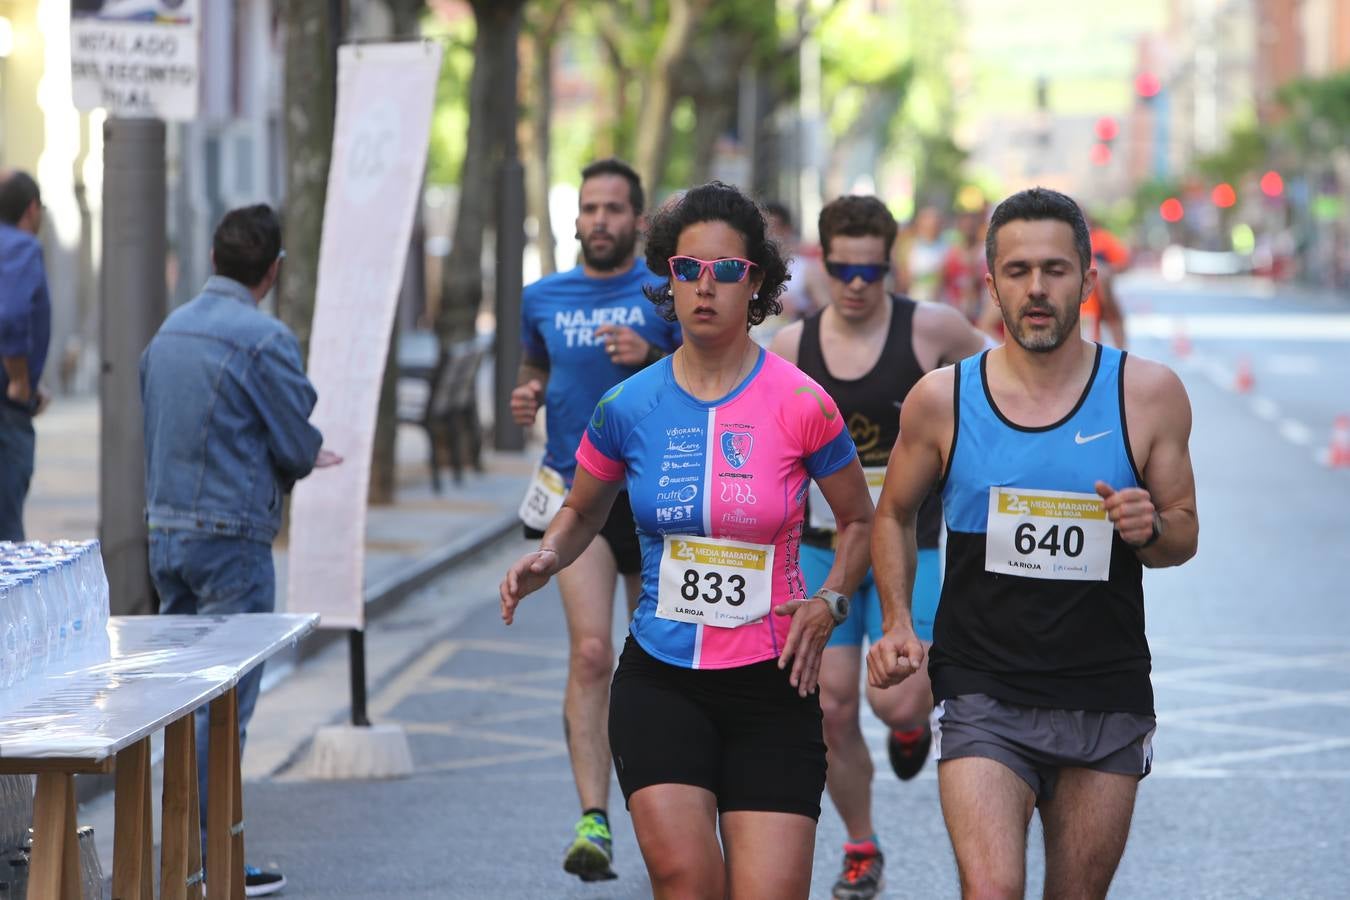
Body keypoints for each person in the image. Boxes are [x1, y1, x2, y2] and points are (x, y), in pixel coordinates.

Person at [502, 181, 873, 899]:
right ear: (667, 279)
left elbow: (859, 519)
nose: (706, 287)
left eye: (727, 271)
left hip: (774, 683)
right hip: (662, 681)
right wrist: (550, 554)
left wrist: (830, 600)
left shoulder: (801, 403)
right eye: (687, 269)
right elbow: (581, 511)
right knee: (685, 880)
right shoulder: (627, 406)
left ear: (755, 282)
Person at [868, 187, 1199, 899]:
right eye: (1017, 272)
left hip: (1104, 695)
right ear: (991, 285)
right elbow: (892, 514)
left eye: (1055, 269)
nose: (1037, 288)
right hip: (984, 691)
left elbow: (1183, 535)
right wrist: (898, 620)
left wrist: (1152, 530)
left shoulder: (1147, 394)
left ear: (1087, 279)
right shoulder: (944, 399)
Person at [769, 194, 986, 900]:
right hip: (823, 549)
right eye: (842, 270)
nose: (857, 285)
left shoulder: (935, 331)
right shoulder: (792, 347)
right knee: (829, 706)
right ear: (821, 262)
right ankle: (861, 845)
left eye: (871, 271)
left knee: (894, 702)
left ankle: (909, 726)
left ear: (889, 264)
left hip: (909, 545)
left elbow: (996, 395)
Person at [141, 204, 340, 897]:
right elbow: (295, 439)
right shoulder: (263, 338)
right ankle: (205, 862)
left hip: (166, 534)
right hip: (232, 539)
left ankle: (175, 855)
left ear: (214, 259)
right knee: (223, 709)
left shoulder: (168, 330)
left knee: (179, 699)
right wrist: (311, 454)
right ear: (274, 270)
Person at [510, 157, 682, 881]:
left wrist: (654, 352)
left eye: (614, 209)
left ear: (638, 221)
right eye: (589, 209)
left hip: (658, 502)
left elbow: (703, 373)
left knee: (657, 661)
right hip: (579, 502)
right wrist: (529, 395)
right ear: (575, 219)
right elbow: (537, 373)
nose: (600, 221)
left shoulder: (663, 296)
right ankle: (594, 819)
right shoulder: (542, 296)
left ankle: (662, 806)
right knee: (591, 654)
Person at [0, 171, 51, 542]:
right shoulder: (20, 246)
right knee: (6, 545)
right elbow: (10, 315)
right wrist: (19, 379)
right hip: (6, 411)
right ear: (32, 209)